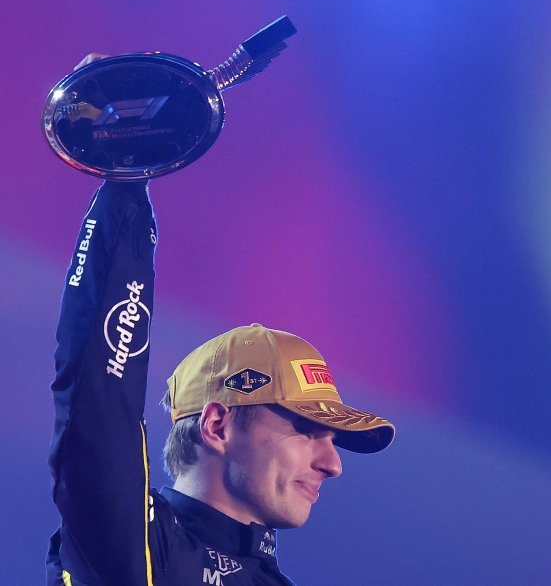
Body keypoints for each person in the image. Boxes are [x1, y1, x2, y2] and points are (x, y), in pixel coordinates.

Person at [47, 132, 394, 584]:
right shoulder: (139, 542)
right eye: (308, 432)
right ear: (217, 425)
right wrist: (125, 182)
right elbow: (97, 414)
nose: (332, 464)